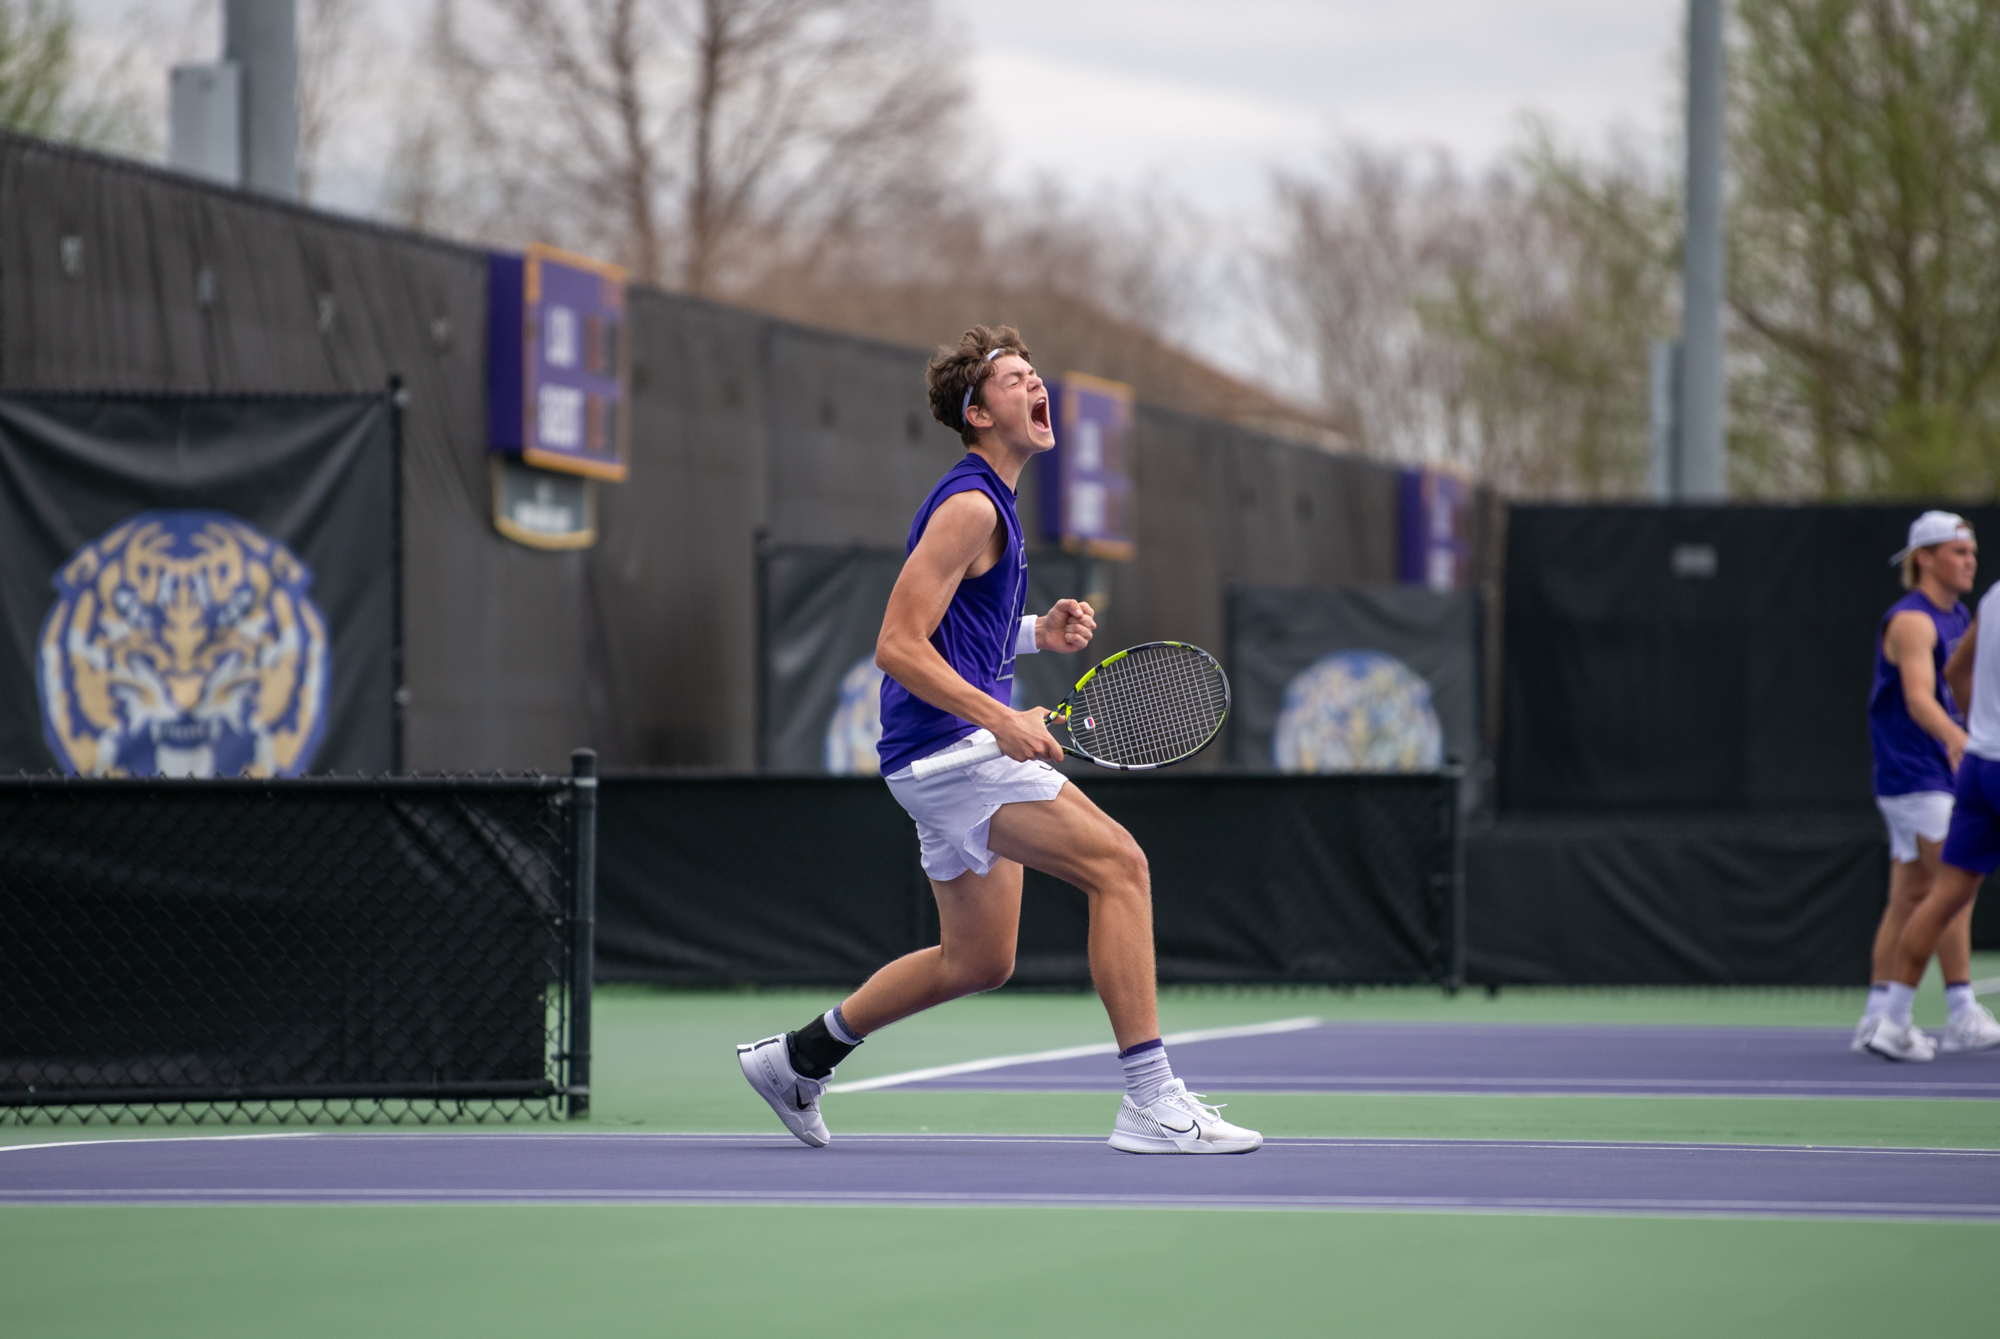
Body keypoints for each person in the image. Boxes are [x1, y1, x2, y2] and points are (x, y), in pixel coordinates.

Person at [737, 326, 1261, 1153]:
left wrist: (1033, 636)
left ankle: (800, 1058)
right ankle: (1152, 1101)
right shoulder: (971, 504)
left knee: (977, 960)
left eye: (1034, 373)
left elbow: (955, 634)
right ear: (978, 413)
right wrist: (1002, 719)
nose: (1035, 383)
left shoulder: (995, 505)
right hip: (953, 754)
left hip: (939, 754)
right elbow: (897, 644)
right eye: (1016, 378)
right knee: (1122, 866)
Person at [1856, 512, 1998, 1058]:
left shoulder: (1964, 612)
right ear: (1925, 558)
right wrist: (1956, 738)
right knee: (1951, 893)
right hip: (1915, 775)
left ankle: (1877, 1017)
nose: (1970, 562)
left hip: (1940, 771)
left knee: (1910, 896)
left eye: (1973, 553)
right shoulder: (1912, 621)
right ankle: (1961, 1011)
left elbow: (1960, 680)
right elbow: (1920, 697)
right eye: (1958, 552)